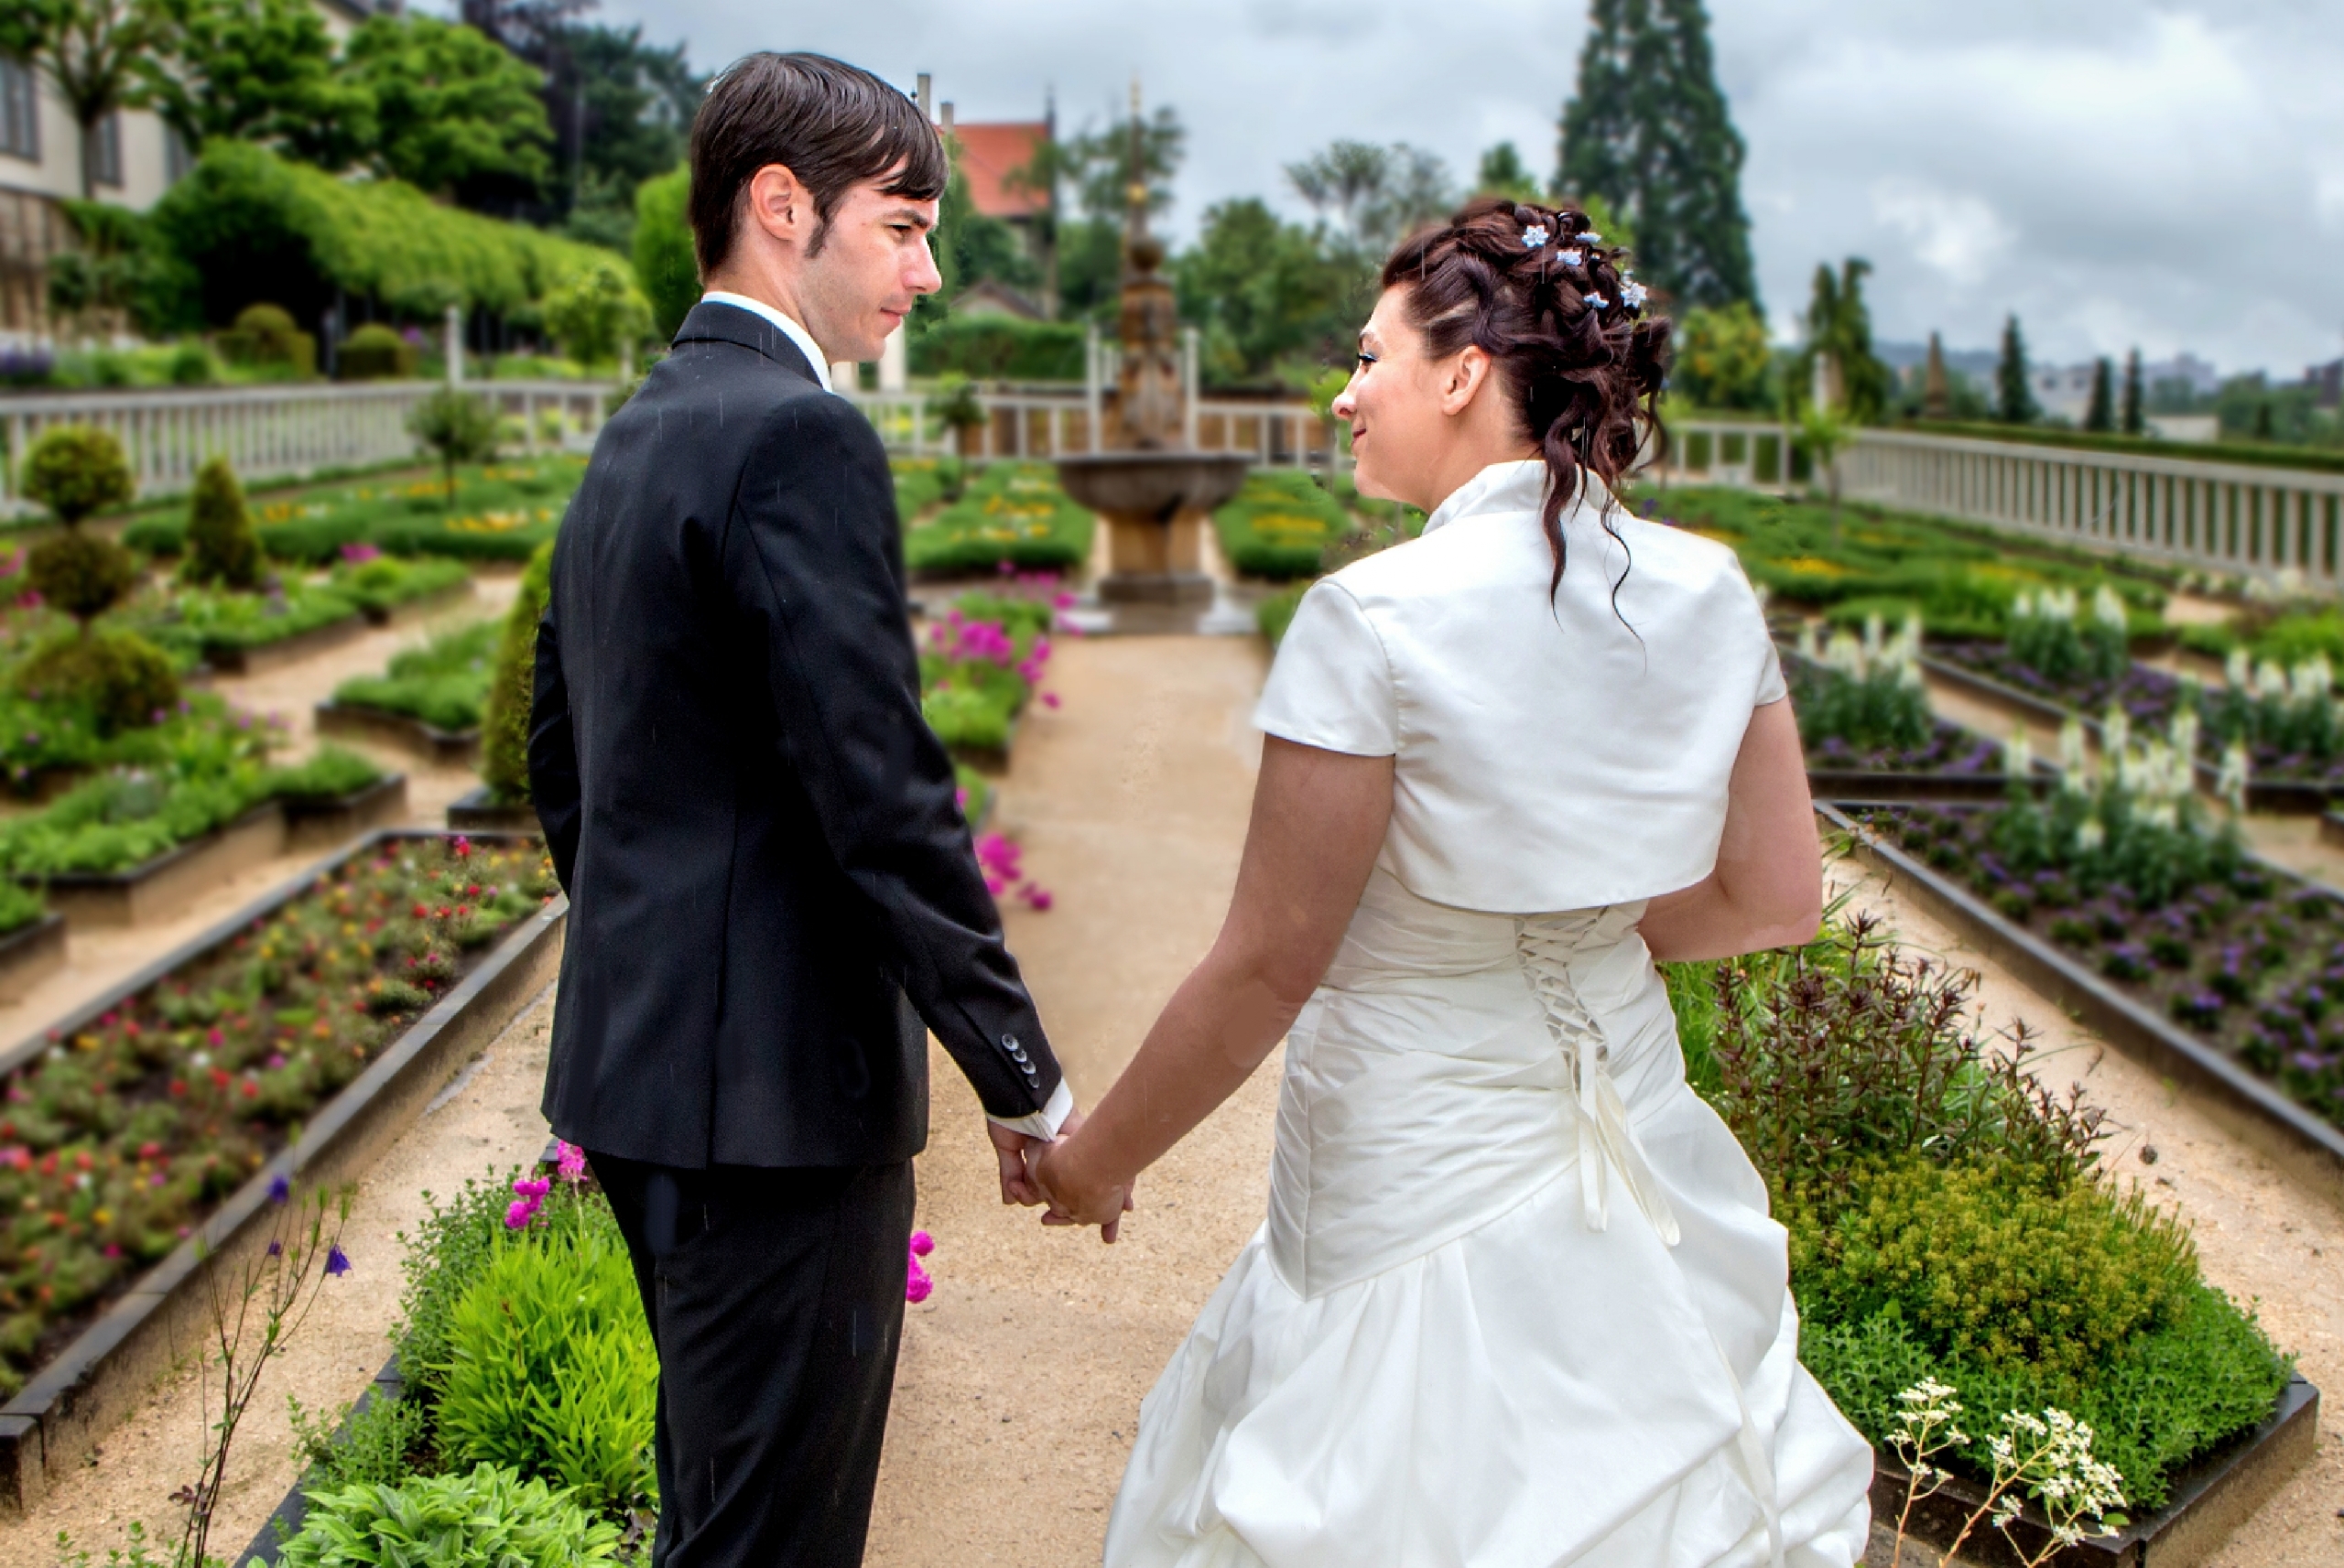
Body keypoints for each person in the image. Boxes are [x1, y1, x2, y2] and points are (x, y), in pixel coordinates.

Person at [1032, 199, 1876, 1566]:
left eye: (1370, 356)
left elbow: (1265, 966)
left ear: (1465, 371)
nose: (1345, 391)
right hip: (1633, 1115)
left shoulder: (1373, 617)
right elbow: (1778, 898)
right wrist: (1582, 922)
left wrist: (1093, 1162)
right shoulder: (1714, 594)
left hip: (1407, 1159)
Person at [527, 52, 1102, 1568]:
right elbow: (885, 795)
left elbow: (561, 760)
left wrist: (667, 977)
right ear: (785, 209)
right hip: (777, 1122)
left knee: (715, 1519)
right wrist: (1024, 1076)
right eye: (905, 226)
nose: (930, 269)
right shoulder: (799, 435)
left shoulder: (644, 424)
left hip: (649, 1097)